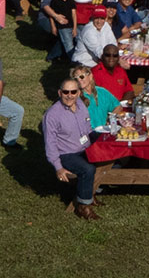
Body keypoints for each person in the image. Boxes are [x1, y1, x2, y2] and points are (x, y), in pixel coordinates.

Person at [43, 76, 103, 220]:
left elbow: (87, 126)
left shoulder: (81, 105)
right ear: (59, 93)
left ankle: (91, 192)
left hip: (84, 146)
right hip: (67, 154)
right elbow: (50, 145)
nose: (69, 96)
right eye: (66, 92)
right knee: (87, 169)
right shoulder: (52, 115)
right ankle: (83, 206)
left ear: (78, 93)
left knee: (109, 155)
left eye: (73, 92)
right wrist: (58, 167)